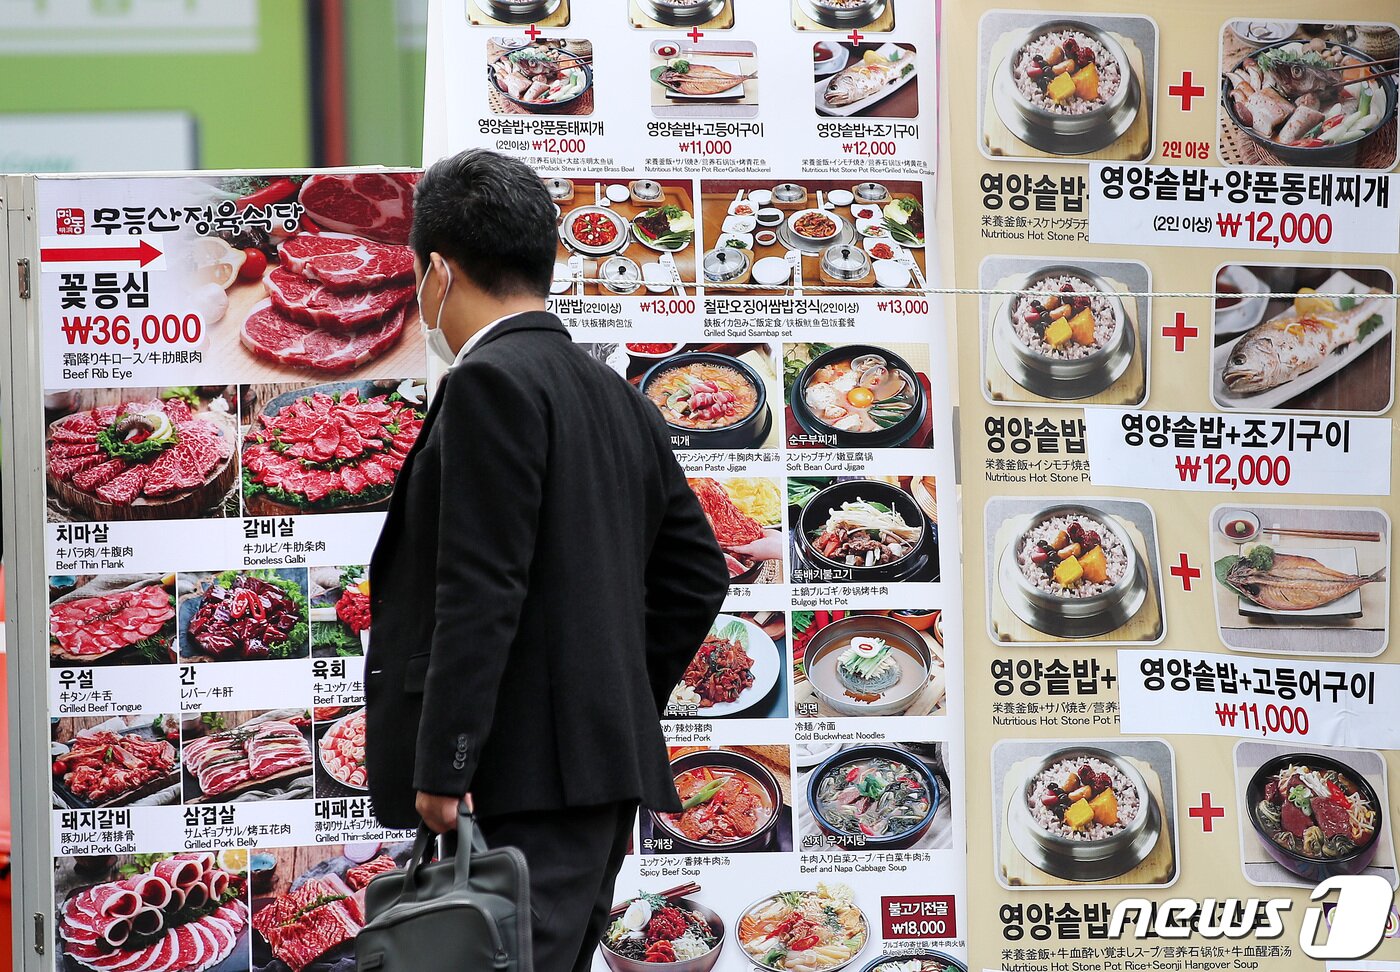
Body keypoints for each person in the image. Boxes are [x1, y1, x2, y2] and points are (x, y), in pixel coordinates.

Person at [364, 148, 731, 972]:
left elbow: (479, 585)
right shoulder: (615, 394)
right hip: (597, 777)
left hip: (516, 780)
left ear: (437, 273)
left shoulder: (490, 380)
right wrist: (608, 693)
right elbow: (699, 573)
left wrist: (445, 764)